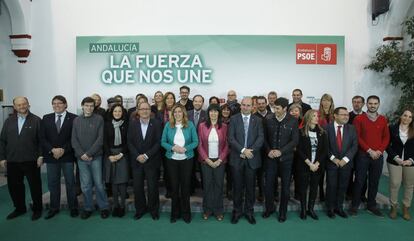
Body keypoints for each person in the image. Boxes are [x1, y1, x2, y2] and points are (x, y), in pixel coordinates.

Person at [0, 96, 43, 220]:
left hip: (31, 160)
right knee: (14, 186)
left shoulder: (36, 120)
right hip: (12, 160)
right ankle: (19, 208)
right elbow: (2, 140)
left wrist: (40, 156)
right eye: (19, 105)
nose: (22, 106)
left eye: (24, 104)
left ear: (28, 104)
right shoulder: (9, 121)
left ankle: (37, 209)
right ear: (14, 107)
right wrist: (2, 158)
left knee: (35, 186)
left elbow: (41, 141)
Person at [350, 95, 390, 217]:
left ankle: (371, 205)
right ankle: (354, 205)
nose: (373, 105)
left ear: (378, 104)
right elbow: (357, 136)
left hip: (378, 156)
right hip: (363, 155)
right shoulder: (359, 119)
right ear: (366, 104)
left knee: (374, 181)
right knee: (359, 180)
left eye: (375, 103)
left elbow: (386, 137)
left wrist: (379, 151)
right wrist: (369, 150)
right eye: (370, 103)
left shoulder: (383, 119)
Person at [40, 95, 78, 219]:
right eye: (54, 103)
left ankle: (73, 207)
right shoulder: (46, 118)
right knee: (53, 183)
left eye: (60, 103)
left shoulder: (74, 118)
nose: (57, 105)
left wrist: (63, 149)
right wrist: (52, 150)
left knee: (70, 183)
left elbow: (75, 137)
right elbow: (42, 138)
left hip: (67, 156)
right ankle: (54, 208)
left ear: (65, 104)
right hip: (51, 157)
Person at [71, 97, 109, 219]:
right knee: (85, 185)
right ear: (82, 106)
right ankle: (88, 207)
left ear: (94, 107)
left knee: (99, 184)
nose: (89, 108)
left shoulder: (99, 119)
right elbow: (74, 139)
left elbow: (100, 139)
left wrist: (89, 154)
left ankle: (104, 207)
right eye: (86, 105)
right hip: (81, 158)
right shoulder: (76, 120)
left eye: (91, 106)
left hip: (95, 157)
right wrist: (82, 154)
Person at [228, 97, 264, 225]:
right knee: (237, 188)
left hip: (251, 159)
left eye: (248, 105)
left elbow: (260, 138)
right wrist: (243, 150)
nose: (245, 107)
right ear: (240, 105)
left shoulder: (258, 120)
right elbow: (231, 138)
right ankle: (236, 212)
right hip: (237, 158)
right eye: (243, 105)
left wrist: (250, 151)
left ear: (252, 106)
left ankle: (249, 212)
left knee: (250, 188)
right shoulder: (233, 119)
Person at [262, 97, 299, 223]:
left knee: (285, 187)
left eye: (277, 108)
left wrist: (281, 151)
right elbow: (264, 138)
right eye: (274, 108)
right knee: (268, 186)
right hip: (271, 158)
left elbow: (294, 140)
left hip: (286, 159)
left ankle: (283, 212)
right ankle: (269, 208)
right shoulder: (268, 119)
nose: (275, 110)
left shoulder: (293, 121)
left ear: (285, 109)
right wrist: (269, 151)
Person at [161, 104, 198, 223]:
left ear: (183, 113)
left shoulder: (190, 125)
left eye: (180, 112)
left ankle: (186, 214)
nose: (177, 114)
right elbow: (163, 141)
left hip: (186, 160)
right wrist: (173, 148)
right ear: (172, 114)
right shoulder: (168, 125)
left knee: (186, 188)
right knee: (174, 188)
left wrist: (185, 149)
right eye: (175, 112)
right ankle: (174, 214)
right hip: (172, 160)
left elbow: (195, 141)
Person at [128, 102, 163, 220]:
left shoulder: (157, 124)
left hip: (151, 160)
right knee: (137, 188)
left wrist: (146, 155)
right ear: (138, 110)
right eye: (142, 109)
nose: (144, 111)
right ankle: (140, 210)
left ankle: (154, 210)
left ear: (150, 111)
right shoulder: (132, 124)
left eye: (147, 109)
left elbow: (158, 142)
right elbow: (129, 142)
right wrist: (138, 156)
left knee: (153, 187)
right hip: (136, 161)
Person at [197, 104, 229, 221]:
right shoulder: (201, 126)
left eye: (216, 111)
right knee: (207, 185)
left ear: (219, 113)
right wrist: (207, 159)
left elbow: (227, 145)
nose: (213, 113)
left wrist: (220, 159)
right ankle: (207, 210)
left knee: (219, 186)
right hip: (206, 161)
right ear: (208, 113)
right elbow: (199, 144)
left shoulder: (224, 126)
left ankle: (218, 210)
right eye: (211, 111)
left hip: (220, 161)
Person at [325, 107, 358, 219]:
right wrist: (333, 158)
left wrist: (345, 159)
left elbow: (354, 146)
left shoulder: (351, 128)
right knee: (331, 186)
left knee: (343, 186)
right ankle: (330, 208)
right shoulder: (326, 128)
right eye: (343, 114)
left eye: (347, 115)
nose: (346, 117)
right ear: (335, 115)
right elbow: (325, 146)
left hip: (346, 163)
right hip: (331, 162)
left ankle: (339, 208)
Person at [296, 109, 328, 220]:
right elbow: (299, 150)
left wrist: (316, 164)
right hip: (304, 165)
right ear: (308, 117)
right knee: (303, 188)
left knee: (314, 188)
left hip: (317, 166)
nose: (316, 118)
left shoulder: (322, 132)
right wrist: (309, 163)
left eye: (317, 116)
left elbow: (325, 150)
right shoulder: (300, 132)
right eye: (314, 116)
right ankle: (303, 209)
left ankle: (311, 209)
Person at [386, 109, 414, 220]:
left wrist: (411, 160)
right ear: (401, 116)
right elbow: (387, 145)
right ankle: (393, 207)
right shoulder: (391, 128)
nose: (407, 118)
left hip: (410, 162)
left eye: (410, 117)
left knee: (409, 185)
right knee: (395, 183)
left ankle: (406, 208)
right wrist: (396, 158)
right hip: (394, 161)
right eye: (405, 115)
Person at [104, 104, 129, 218]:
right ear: (112, 112)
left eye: (119, 111)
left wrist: (121, 154)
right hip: (110, 155)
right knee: (113, 182)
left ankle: (122, 206)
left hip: (123, 154)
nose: (117, 113)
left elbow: (129, 141)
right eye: (115, 111)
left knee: (122, 181)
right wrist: (110, 155)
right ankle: (116, 205)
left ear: (122, 113)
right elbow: (104, 142)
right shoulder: (107, 125)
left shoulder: (127, 124)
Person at [347, 95, 367, 202]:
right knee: (349, 173)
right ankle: (349, 193)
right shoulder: (347, 116)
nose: (356, 104)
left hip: (363, 150)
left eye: (359, 102)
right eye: (354, 102)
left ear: (363, 104)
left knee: (362, 174)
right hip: (349, 150)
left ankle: (362, 194)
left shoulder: (367, 116)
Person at [187, 94, 207, 193]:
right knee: (189, 169)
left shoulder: (207, 114)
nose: (197, 103)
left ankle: (204, 188)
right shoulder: (186, 113)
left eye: (200, 101)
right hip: (189, 146)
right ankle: (191, 188)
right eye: (195, 101)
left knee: (203, 169)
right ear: (193, 102)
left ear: (202, 103)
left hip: (202, 146)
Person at [317, 93, 335, 201]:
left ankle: (330, 193)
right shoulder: (317, 114)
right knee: (321, 172)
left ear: (331, 102)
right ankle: (321, 192)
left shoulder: (335, 115)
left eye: (328, 100)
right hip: (321, 147)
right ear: (321, 102)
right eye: (324, 100)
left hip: (333, 147)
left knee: (331, 174)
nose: (326, 102)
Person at [254, 96, 269, 202]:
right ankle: (261, 193)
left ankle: (273, 193)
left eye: (263, 103)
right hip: (257, 150)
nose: (261, 105)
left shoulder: (272, 116)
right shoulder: (253, 117)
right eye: (259, 103)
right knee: (259, 173)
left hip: (269, 149)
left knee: (271, 172)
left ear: (266, 103)